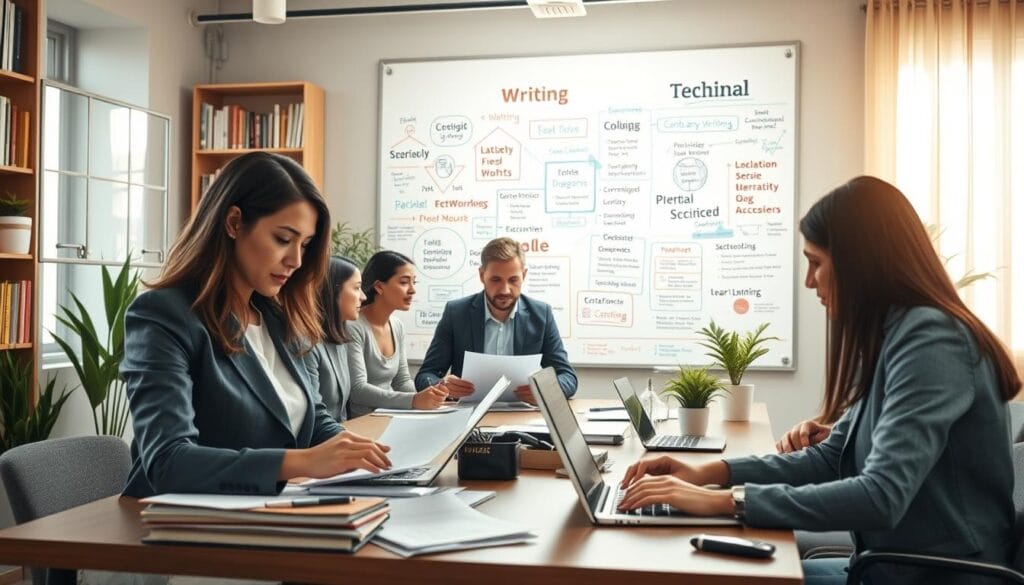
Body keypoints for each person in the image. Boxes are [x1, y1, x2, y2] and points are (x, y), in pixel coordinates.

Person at [618, 176, 1020, 585]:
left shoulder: (931, 339)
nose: (810, 282)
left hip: (936, 577)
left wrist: (722, 501)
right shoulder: (896, 334)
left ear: (860, 264)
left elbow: (880, 496)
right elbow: (829, 458)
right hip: (893, 566)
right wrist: (707, 473)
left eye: (816, 262)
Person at [121, 152, 391, 498]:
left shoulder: (282, 318)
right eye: (283, 239)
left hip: (266, 516)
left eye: (305, 245)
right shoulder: (163, 315)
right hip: (176, 528)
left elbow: (313, 418)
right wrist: (302, 462)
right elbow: (168, 462)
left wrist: (366, 452)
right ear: (234, 223)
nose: (295, 261)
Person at [415, 236, 578, 404]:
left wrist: (546, 391)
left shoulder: (541, 314)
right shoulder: (456, 313)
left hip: (523, 418)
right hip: (468, 417)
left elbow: (568, 378)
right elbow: (425, 376)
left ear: (524, 275)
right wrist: (442, 386)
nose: (505, 290)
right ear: (482, 275)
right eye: (496, 279)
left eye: (513, 280)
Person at [346, 251, 448, 417]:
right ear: (379, 286)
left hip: (391, 416)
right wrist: (414, 400)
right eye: (404, 282)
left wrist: (431, 397)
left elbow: (402, 381)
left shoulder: (397, 326)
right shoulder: (353, 327)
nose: (413, 290)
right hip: (362, 423)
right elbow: (358, 389)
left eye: (414, 283)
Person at [309, 256, 364, 422]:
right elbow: (314, 415)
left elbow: (340, 414)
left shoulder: (339, 340)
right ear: (332, 291)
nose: (363, 297)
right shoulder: (307, 345)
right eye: (357, 288)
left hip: (339, 437)